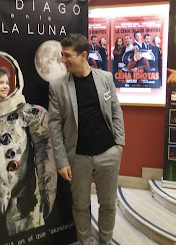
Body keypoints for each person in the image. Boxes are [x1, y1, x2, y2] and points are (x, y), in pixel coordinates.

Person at [48, 34, 125, 245]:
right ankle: (85, 242)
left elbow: (116, 111)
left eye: (67, 55)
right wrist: (62, 161)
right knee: (80, 205)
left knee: (108, 204)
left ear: (83, 55)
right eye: (62, 55)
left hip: (108, 153)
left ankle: (105, 240)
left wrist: (119, 144)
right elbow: (54, 125)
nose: (63, 60)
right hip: (77, 157)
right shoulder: (57, 85)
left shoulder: (105, 78)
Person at [0, 54, 57, 243]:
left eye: (7, 82)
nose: (6, 86)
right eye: (0, 83)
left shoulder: (29, 113)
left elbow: (45, 149)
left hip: (22, 198)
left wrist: (47, 189)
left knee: (26, 237)